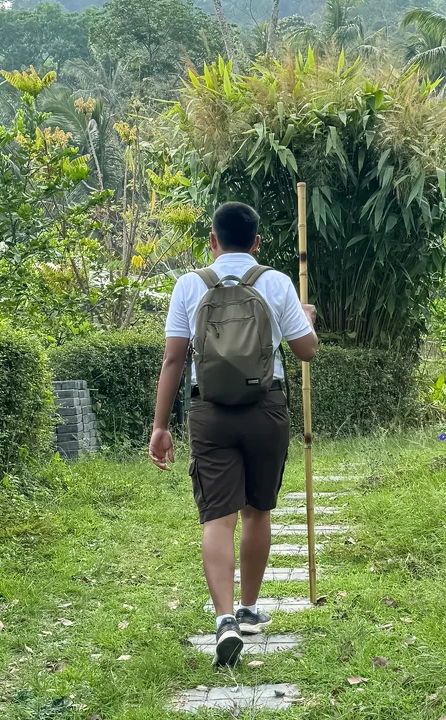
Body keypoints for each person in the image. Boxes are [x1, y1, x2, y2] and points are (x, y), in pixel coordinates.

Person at [149, 201, 318, 667]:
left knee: (216, 518)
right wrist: (308, 317)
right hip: (266, 410)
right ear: (257, 242)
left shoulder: (189, 285)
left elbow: (173, 360)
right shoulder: (277, 282)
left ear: (212, 240)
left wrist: (160, 426)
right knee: (257, 510)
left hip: (211, 412)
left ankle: (223, 619)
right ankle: (247, 608)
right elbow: (306, 351)